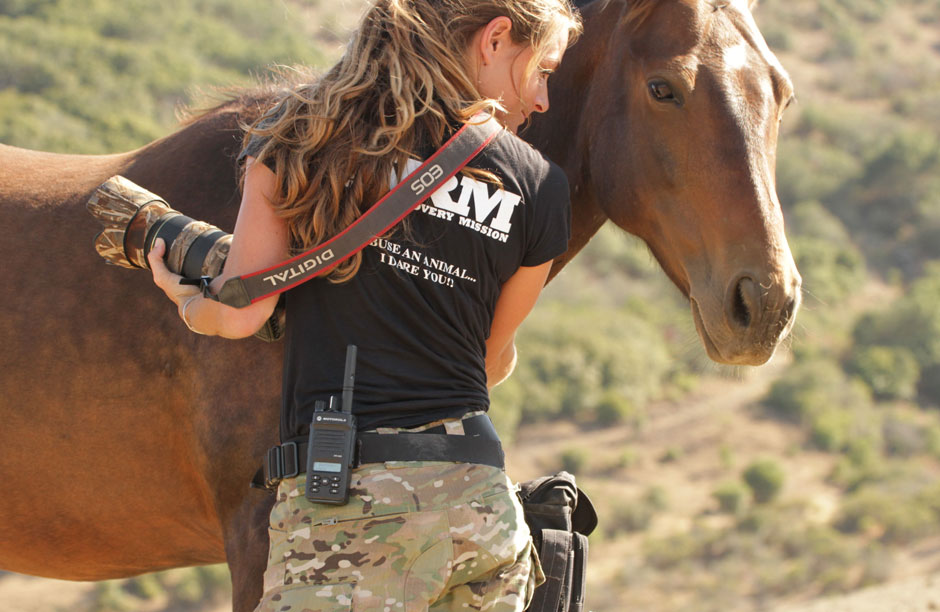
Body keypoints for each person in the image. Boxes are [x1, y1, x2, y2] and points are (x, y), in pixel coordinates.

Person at [148, 0, 581, 609]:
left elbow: (244, 309)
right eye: (544, 71)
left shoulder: (302, 136)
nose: (541, 101)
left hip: (351, 511)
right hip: (480, 507)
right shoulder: (542, 185)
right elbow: (489, 363)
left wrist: (192, 306)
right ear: (495, 39)